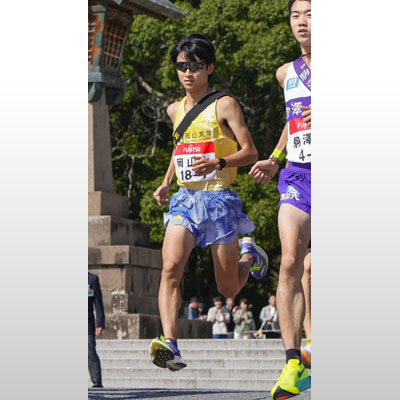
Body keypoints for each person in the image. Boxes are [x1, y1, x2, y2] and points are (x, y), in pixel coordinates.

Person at [149, 33, 268, 371]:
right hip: (185, 201)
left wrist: (219, 163)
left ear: (210, 67)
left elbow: (250, 152)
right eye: (181, 66)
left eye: (195, 66)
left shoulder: (225, 104)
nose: (187, 73)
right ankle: (170, 344)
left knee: (228, 288)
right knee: (170, 267)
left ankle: (251, 255)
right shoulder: (175, 109)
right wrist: (166, 182)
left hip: (218, 200)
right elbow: (179, 149)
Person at [249, 1, 311, 398]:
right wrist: (274, 158)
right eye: (296, 16)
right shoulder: (285, 72)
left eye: (313, 15)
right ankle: (293, 363)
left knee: (312, 268)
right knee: (290, 260)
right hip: (298, 175)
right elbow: (294, 123)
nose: (303, 22)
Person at [88, 272, 105, 388]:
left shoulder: (92, 280)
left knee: (90, 351)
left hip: (87, 323)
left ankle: (97, 381)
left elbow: (98, 303)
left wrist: (100, 323)